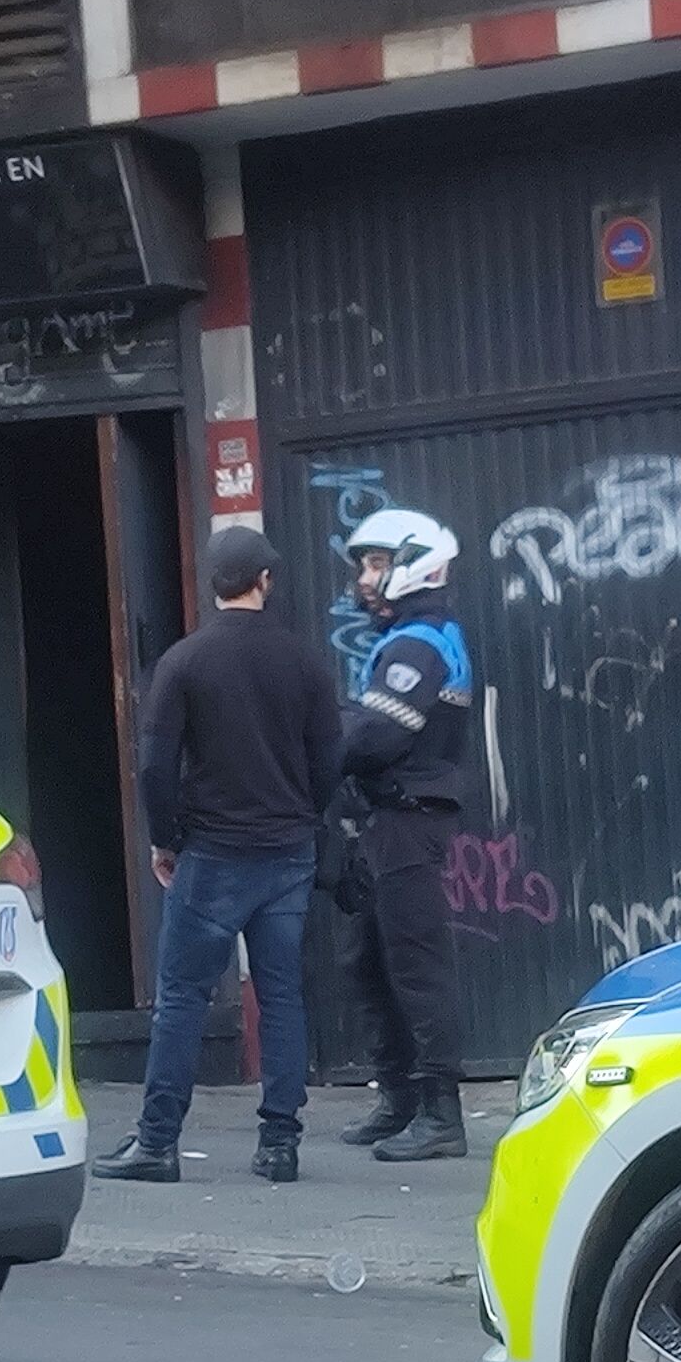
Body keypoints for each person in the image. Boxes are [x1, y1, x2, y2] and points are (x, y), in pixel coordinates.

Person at [95, 526, 343, 1185]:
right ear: (265, 581)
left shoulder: (183, 662)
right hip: (287, 854)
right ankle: (280, 1144)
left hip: (212, 856)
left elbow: (154, 763)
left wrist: (166, 836)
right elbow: (329, 762)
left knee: (181, 997)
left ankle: (158, 1142)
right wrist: (304, 815)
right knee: (282, 996)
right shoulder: (305, 662)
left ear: (214, 586)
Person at [332, 507, 473, 1163]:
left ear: (416, 562)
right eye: (365, 564)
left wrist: (329, 732)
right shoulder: (410, 637)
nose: (364, 577)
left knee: (416, 965)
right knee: (368, 963)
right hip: (385, 824)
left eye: (377, 563)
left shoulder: (420, 642)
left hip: (408, 822)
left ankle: (441, 1114)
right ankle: (399, 1099)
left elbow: (374, 736)